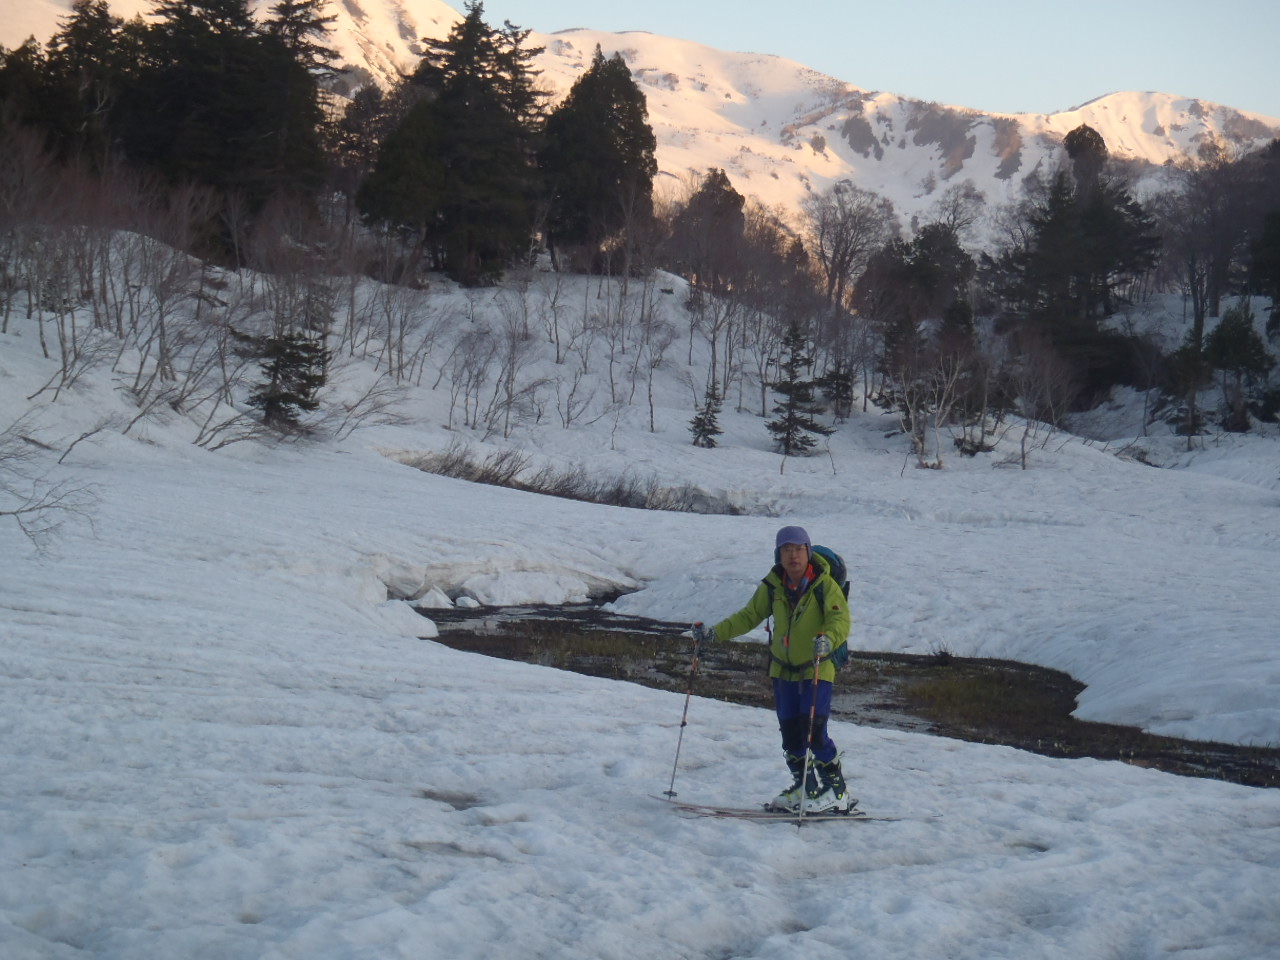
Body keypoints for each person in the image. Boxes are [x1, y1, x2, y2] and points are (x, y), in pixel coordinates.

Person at [693, 525, 854, 813]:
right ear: (778, 555)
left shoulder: (825, 586)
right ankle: (805, 787)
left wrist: (827, 640)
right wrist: (713, 634)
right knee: (791, 732)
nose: (793, 556)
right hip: (783, 669)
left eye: (798, 549)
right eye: (786, 550)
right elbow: (749, 616)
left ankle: (836, 791)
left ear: (808, 551)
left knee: (813, 730)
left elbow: (840, 621)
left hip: (817, 666)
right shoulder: (774, 587)